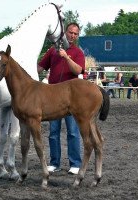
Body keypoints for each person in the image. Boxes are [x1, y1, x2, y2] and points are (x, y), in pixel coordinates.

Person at [37, 22, 85, 175]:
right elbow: (39, 67)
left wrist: (66, 57)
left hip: (71, 98)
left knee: (72, 131)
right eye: (70, 32)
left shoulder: (78, 52)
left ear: (77, 36)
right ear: (65, 32)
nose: (72, 35)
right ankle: (54, 163)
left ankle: (75, 163)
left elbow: (78, 70)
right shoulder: (52, 51)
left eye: (75, 34)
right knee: (53, 132)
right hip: (52, 97)